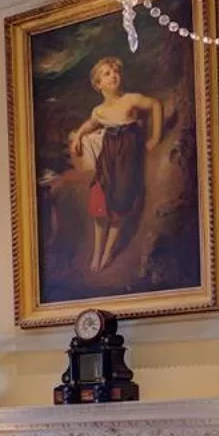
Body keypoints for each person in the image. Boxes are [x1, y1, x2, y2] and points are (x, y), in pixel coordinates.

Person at [66, 55, 163, 274]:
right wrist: (78, 137)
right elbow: (91, 124)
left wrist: (155, 137)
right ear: (98, 84)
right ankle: (97, 252)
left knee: (120, 201)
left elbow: (155, 104)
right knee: (99, 201)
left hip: (127, 156)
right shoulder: (99, 111)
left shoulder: (130, 99)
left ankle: (108, 252)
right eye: (107, 74)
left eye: (116, 72)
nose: (113, 76)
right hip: (108, 156)